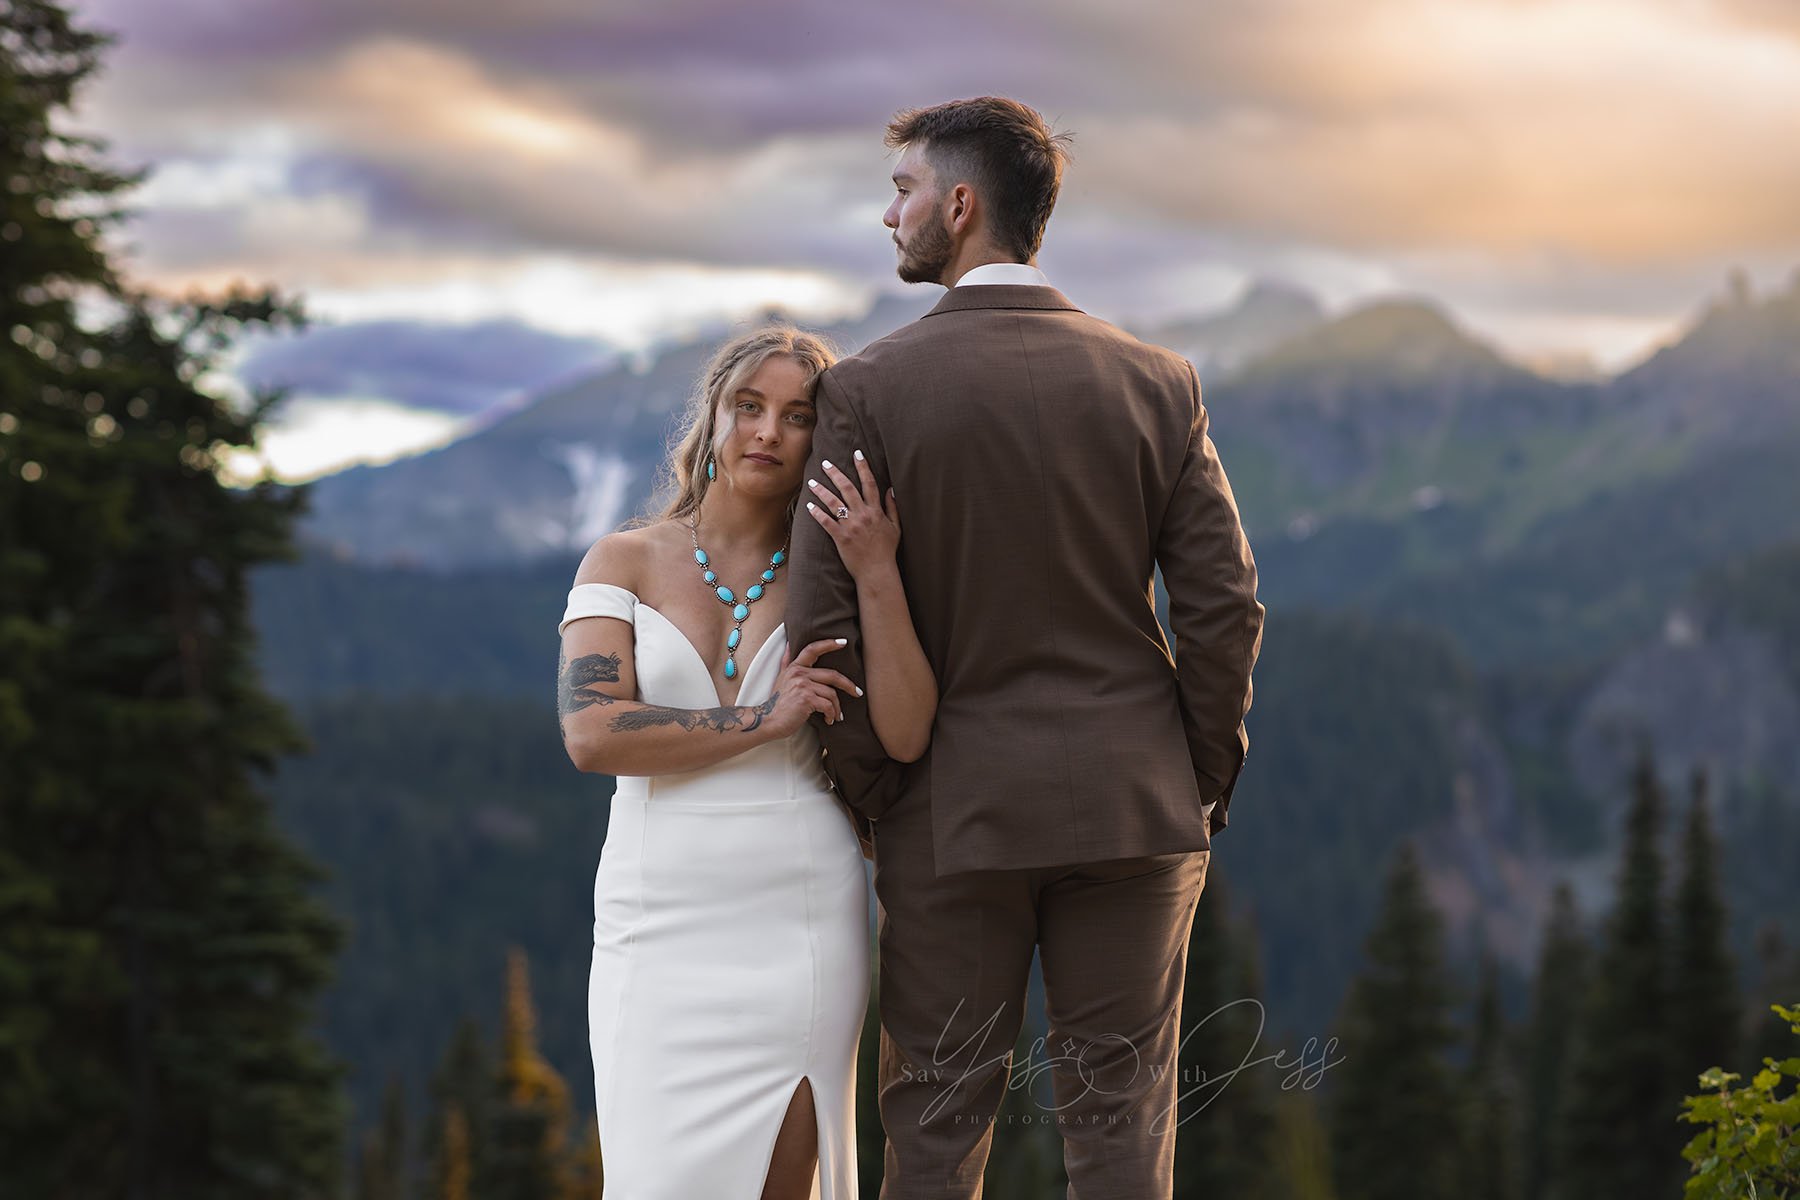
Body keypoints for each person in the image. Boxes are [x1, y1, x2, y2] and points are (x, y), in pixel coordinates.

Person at [782, 96, 1265, 1199]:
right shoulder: (1159, 383)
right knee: (1122, 1140)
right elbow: (1224, 603)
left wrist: (878, 793)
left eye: (903, 191)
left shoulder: (867, 391)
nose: (888, 214)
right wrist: (1193, 778)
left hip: (951, 813)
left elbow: (825, 626)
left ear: (961, 205)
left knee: (937, 1138)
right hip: (1136, 805)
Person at [556, 325, 937, 1199]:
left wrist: (877, 571)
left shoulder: (837, 571)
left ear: (823, 437)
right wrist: (766, 719)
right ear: (713, 421)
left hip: (800, 914)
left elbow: (910, 732)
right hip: (655, 919)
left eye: (797, 416)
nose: (767, 431)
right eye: (749, 408)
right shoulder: (623, 559)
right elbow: (591, 732)